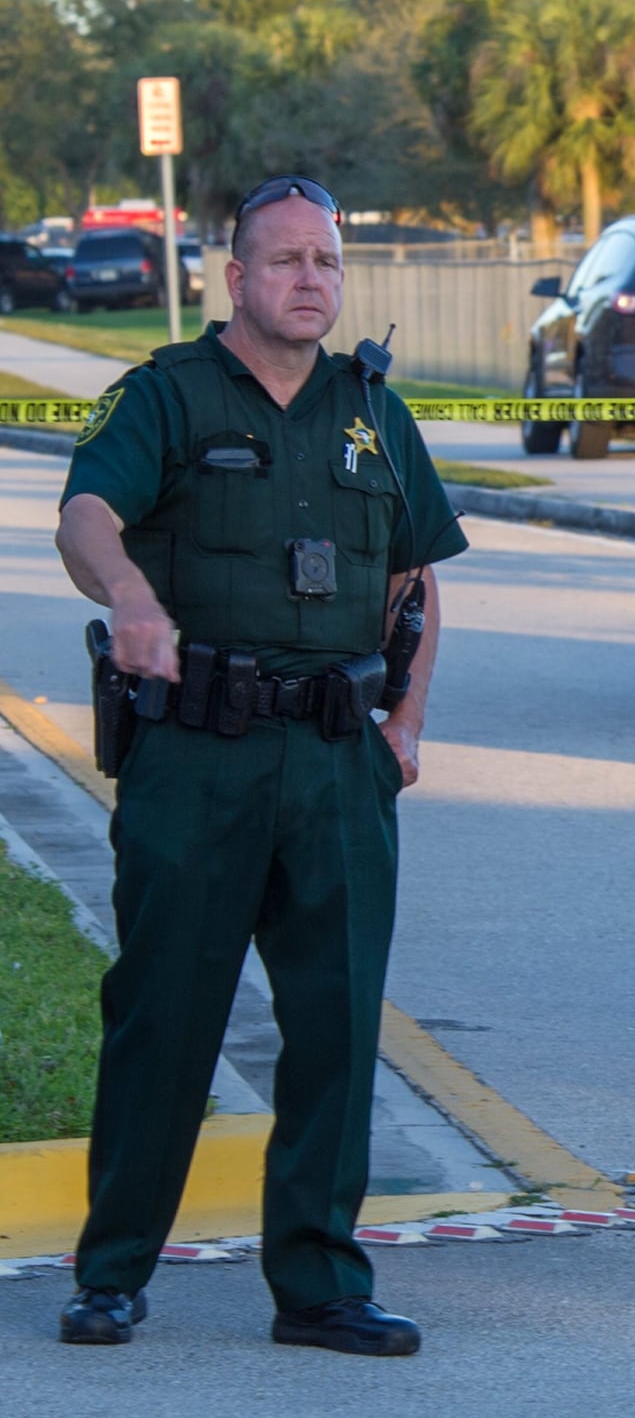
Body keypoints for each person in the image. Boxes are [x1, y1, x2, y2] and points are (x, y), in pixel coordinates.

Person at [52, 175, 463, 1351]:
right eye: (285, 261)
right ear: (234, 278)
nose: (309, 281)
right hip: (199, 757)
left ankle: (320, 1285)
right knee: (165, 1016)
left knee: (335, 1024)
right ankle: (114, 1270)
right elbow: (86, 514)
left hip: (338, 761)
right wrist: (131, 596)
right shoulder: (166, 397)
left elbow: (416, 579)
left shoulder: (374, 410)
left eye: (326, 263)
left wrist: (407, 728)